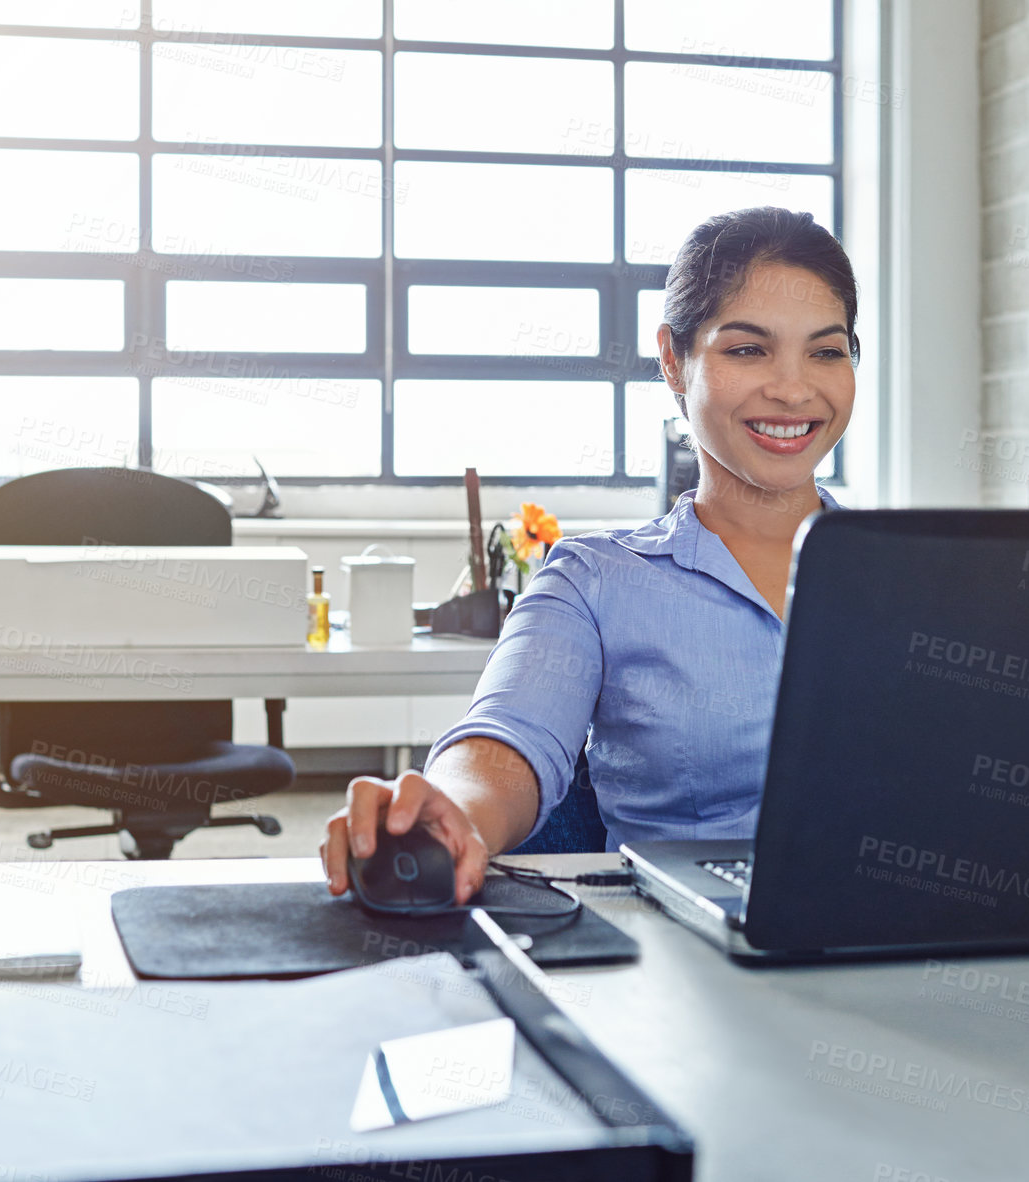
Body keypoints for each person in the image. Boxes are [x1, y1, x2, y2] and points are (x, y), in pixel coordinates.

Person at [320, 206, 861, 904]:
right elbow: (509, 737)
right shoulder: (595, 579)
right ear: (673, 359)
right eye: (746, 349)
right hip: (685, 963)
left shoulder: (925, 574)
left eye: (826, 351)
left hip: (926, 948)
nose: (793, 388)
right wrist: (452, 807)